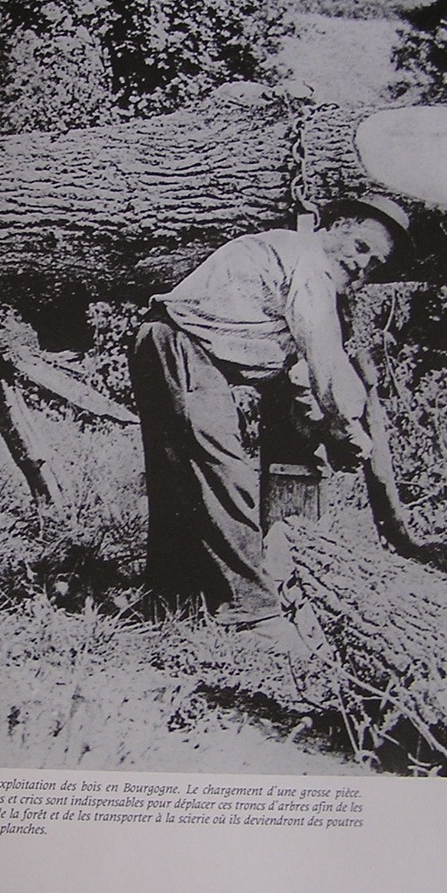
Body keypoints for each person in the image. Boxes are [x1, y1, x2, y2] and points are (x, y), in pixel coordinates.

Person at [129, 195, 415, 628]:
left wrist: (327, 428)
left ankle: (169, 600)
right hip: (182, 345)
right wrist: (345, 427)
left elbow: (298, 373)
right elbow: (324, 358)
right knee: (225, 476)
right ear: (335, 227)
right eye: (360, 247)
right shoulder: (309, 261)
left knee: (180, 484)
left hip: (169, 345)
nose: (362, 266)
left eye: (374, 264)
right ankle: (254, 612)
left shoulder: (296, 265)